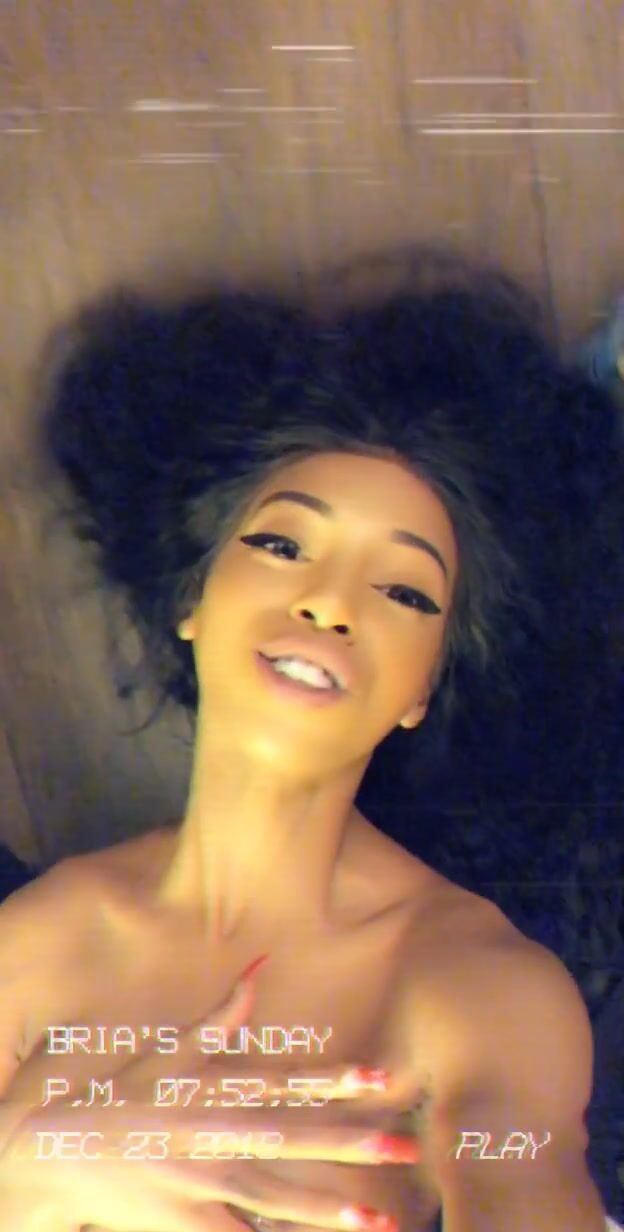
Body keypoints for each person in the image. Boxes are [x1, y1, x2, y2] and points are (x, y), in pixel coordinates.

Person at [1, 243, 621, 1230]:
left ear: (423, 685)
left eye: (404, 591)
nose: (330, 603)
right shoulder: (34, 945)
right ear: (192, 598)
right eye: (283, 543)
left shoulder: (469, 984)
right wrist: (36, 1166)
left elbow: (513, 1156)